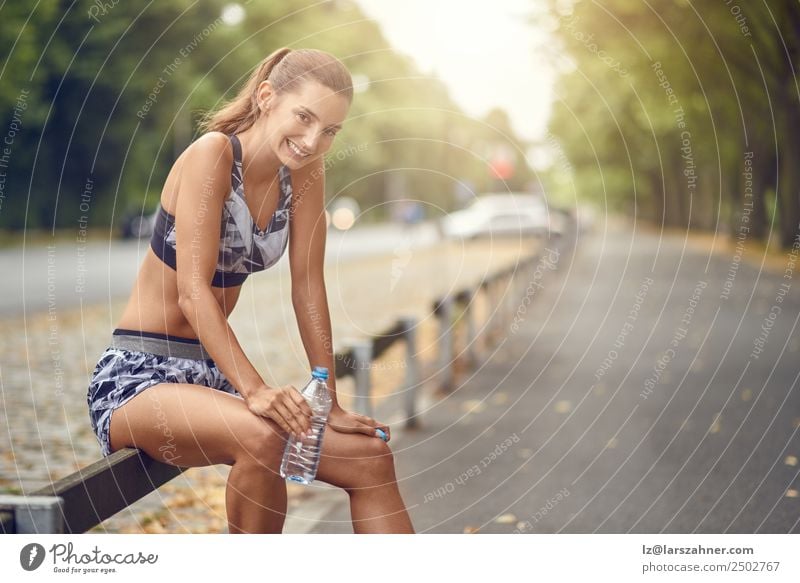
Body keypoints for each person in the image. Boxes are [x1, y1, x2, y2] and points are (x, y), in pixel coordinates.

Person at [86, 47, 415, 534]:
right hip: (141, 377)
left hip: (213, 379)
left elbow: (306, 287)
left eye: (329, 131)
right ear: (266, 97)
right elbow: (192, 292)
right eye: (303, 118)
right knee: (261, 437)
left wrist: (327, 395)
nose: (311, 140)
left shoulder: (304, 173)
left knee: (369, 458)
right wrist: (256, 389)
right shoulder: (212, 154)